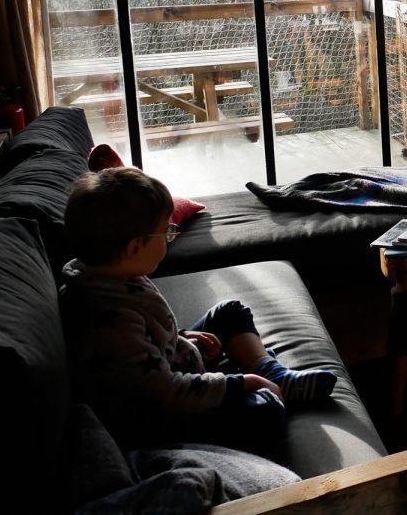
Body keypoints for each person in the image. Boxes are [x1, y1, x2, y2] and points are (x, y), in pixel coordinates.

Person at [59, 167, 337, 454]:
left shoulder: (108, 274)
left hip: (165, 369)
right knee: (263, 411)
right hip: (162, 415)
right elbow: (163, 393)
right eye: (166, 232)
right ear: (135, 247)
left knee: (230, 312)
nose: (170, 236)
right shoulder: (110, 320)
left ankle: (271, 371)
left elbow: (146, 342)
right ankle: (264, 380)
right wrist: (244, 383)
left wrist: (181, 338)